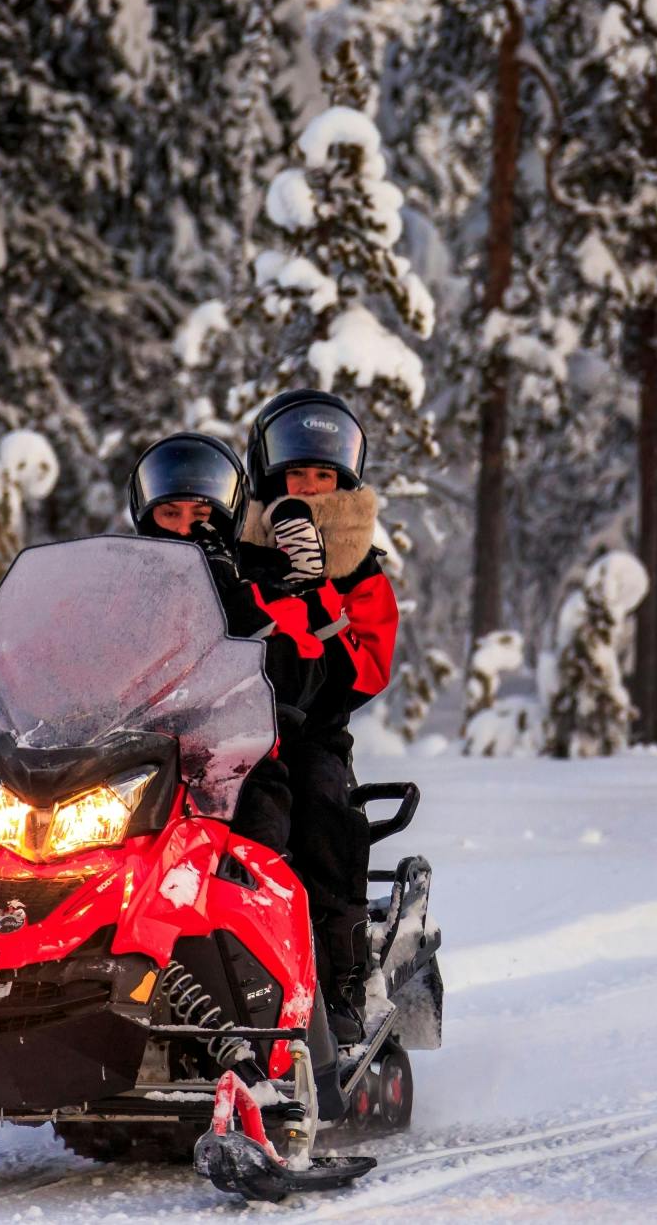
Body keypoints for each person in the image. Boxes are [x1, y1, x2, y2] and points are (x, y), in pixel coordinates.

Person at [239, 390, 398, 1043]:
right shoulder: (237, 550)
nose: (308, 486)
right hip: (223, 726)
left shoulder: (359, 567)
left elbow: (369, 667)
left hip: (310, 728)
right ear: (273, 479)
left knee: (322, 804)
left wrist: (315, 584)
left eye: (322, 475)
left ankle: (345, 973)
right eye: (297, 474)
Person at [126, 432, 325, 862]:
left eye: (201, 514)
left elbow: (301, 673)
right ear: (146, 515)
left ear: (226, 517)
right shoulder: (119, 591)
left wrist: (231, 593)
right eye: (169, 512)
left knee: (256, 835)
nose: (184, 527)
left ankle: (262, 922)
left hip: (232, 760)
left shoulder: (265, 586)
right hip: (126, 757)